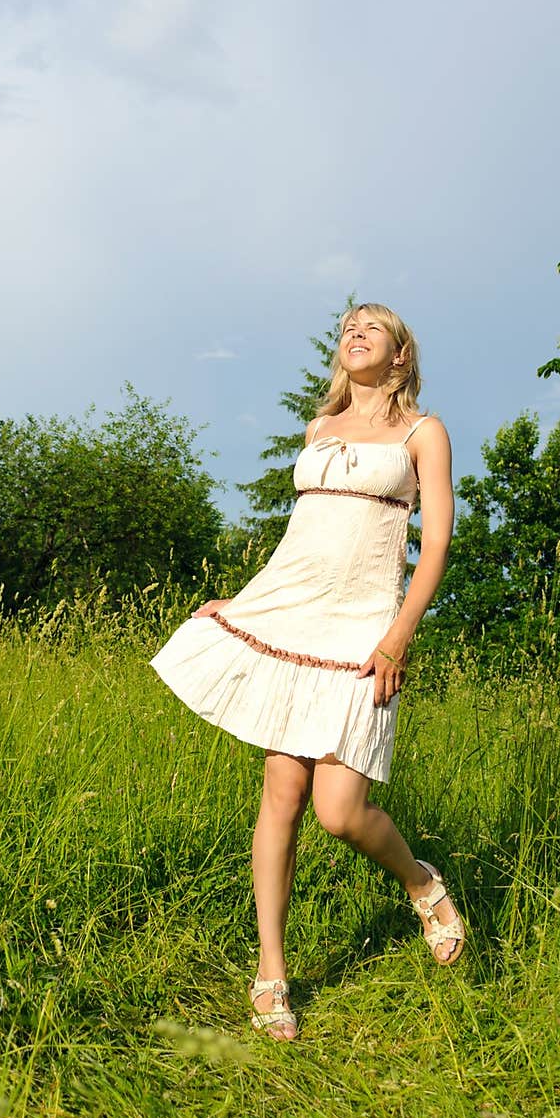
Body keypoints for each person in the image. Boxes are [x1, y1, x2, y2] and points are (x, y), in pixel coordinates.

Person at [149, 302, 464, 1041]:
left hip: (363, 631)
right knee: (282, 791)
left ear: (400, 357)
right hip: (292, 615)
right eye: (348, 326)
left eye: (373, 328)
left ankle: (421, 882)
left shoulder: (424, 433)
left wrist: (398, 637)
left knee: (340, 810)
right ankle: (271, 974)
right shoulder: (318, 430)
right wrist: (249, 603)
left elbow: (438, 541)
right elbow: (303, 537)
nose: (355, 333)